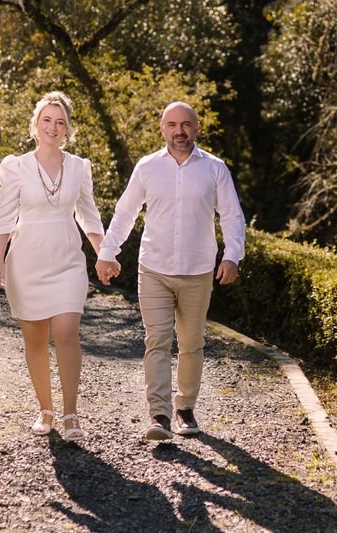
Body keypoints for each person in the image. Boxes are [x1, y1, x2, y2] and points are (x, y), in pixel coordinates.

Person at [95, 101, 245, 441]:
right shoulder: (147, 167)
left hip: (198, 271)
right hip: (154, 270)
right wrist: (107, 252)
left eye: (186, 124)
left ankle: (185, 408)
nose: (180, 131)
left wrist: (232, 256)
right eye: (172, 125)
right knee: (157, 341)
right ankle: (159, 415)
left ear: (197, 128)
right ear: (162, 129)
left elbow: (232, 216)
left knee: (192, 343)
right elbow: (125, 213)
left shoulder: (215, 169)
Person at [0, 91, 105, 442]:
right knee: (36, 340)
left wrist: (104, 254)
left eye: (60, 122)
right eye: (47, 120)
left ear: (68, 128)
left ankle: (71, 414)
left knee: (67, 331)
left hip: (68, 261)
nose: (53, 127)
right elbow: (4, 216)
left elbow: (88, 215)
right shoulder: (16, 167)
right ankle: (45, 410)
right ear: (36, 125)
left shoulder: (79, 167)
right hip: (26, 263)